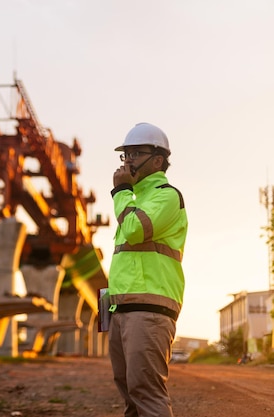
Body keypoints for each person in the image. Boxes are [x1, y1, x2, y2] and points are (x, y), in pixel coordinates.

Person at [108, 122, 188, 417]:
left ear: (157, 160)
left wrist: (120, 192)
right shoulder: (134, 198)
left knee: (147, 393)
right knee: (130, 393)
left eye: (136, 153)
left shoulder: (165, 196)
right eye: (125, 154)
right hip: (123, 309)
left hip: (150, 308)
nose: (128, 160)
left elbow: (135, 231)